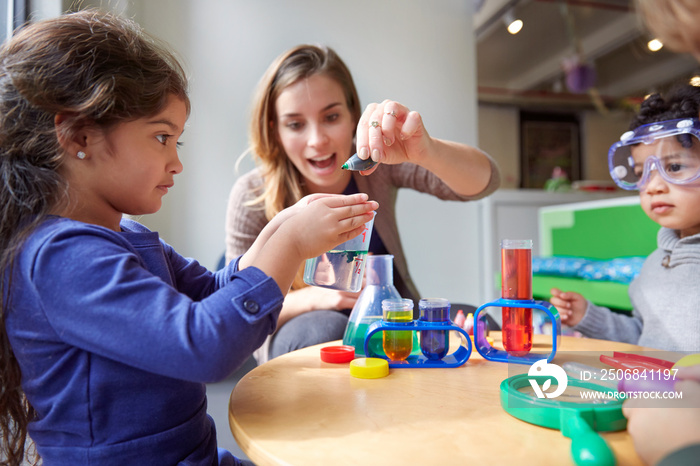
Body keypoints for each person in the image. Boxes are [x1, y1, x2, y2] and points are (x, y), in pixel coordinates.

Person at [0, 11, 377, 466]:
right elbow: (204, 345)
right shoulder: (59, 258)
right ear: (80, 135)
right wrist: (289, 244)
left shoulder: (128, 236)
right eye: (162, 138)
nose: (176, 163)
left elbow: (214, 290)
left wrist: (283, 226)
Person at [225, 44, 500, 362]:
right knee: (324, 331)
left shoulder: (377, 162)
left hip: (394, 326)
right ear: (274, 130)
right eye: (296, 124)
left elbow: (486, 181)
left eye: (331, 117)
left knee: (479, 323)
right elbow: (235, 306)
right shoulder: (251, 195)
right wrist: (317, 298)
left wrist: (427, 150)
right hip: (306, 330)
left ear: (353, 114)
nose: (317, 140)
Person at [549, 84, 700, 353]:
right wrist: (589, 316)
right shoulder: (654, 265)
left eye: (674, 167)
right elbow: (644, 337)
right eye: (643, 172)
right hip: (656, 391)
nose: (653, 186)